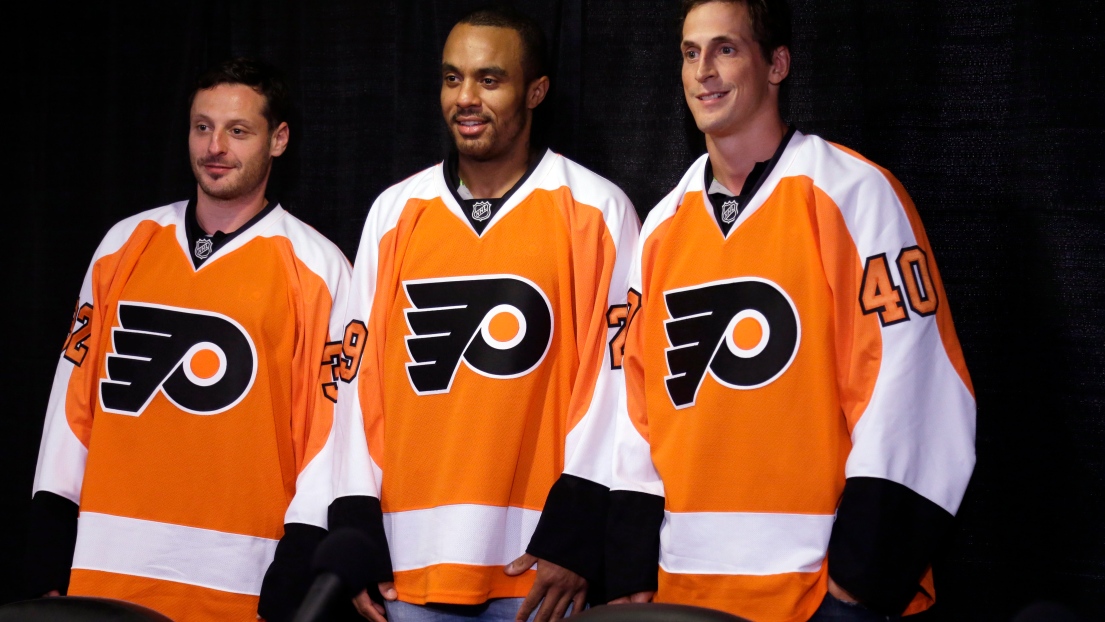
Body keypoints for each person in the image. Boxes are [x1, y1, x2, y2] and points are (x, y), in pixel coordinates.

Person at [604, 1, 976, 621]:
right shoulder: (662, 227)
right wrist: (630, 567)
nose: (704, 72)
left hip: (817, 595)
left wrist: (858, 587)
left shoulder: (853, 194)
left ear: (776, 64)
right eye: (690, 53)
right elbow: (635, 414)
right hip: (681, 595)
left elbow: (916, 389)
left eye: (726, 49)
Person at [327, 6, 638, 622]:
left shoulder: (597, 209)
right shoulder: (394, 212)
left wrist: (578, 530)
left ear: (536, 90)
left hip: (537, 577)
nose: (465, 98)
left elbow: (619, 382)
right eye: (452, 78)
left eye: (489, 79)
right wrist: (355, 525)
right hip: (409, 571)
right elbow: (355, 380)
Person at [26, 58, 351, 622]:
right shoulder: (125, 243)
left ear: (278, 140)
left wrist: (302, 545)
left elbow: (329, 430)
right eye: (202, 127)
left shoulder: (319, 267)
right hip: (105, 570)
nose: (215, 146)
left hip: (237, 578)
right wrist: (50, 526)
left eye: (237, 130)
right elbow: (72, 401)